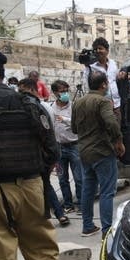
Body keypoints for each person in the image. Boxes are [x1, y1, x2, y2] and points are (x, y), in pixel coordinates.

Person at [0, 51, 72, 260]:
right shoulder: (28, 103)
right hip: (32, 186)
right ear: (3, 74)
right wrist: (35, 176)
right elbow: (52, 149)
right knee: (42, 249)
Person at [72, 72, 125, 238]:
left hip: (84, 152)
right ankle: (107, 230)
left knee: (88, 190)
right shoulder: (103, 101)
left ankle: (87, 226)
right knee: (107, 191)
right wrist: (118, 141)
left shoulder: (78, 102)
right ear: (103, 85)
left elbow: (74, 128)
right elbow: (111, 122)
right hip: (102, 151)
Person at [18, 78, 70, 227]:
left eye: (23, 91)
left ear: (34, 90)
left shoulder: (43, 107)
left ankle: (51, 215)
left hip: (42, 155)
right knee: (47, 185)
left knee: (44, 185)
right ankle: (58, 214)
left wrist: (52, 156)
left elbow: (48, 132)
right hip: (44, 154)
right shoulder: (44, 106)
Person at [51, 80, 83, 214]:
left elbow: (79, 124)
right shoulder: (51, 107)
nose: (64, 93)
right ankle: (68, 204)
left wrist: (64, 120)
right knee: (62, 179)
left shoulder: (74, 107)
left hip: (74, 146)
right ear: (54, 93)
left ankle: (81, 204)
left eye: (66, 91)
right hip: (58, 148)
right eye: (61, 91)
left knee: (79, 178)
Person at [82, 37, 126, 121]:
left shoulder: (113, 63)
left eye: (100, 48)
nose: (98, 51)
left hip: (116, 105)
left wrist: (123, 72)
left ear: (107, 51)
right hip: (100, 106)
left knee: (116, 130)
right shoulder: (90, 67)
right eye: (96, 49)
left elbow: (115, 78)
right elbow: (86, 86)